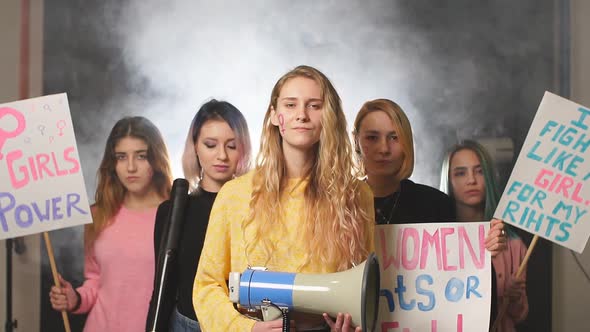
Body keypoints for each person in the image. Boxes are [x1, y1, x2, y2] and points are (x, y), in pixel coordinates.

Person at [193, 65, 375, 332]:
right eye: (290, 105)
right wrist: (245, 329)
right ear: (275, 116)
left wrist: (353, 325)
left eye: (314, 105)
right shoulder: (234, 195)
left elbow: (364, 287)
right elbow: (207, 287)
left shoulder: (355, 196)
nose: (301, 115)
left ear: (329, 117)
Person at [49, 116, 173, 331]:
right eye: (121, 157)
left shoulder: (175, 216)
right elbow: (95, 281)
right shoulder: (98, 215)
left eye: (141, 156)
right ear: (112, 163)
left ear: (156, 160)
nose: (131, 167)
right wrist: (75, 298)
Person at [147, 99, 252, 331]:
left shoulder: (256, 208)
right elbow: (162, 287)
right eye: (210, 144)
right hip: (184, 324)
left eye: (232, 146)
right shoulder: (173, 210)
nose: (221, 156)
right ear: (195, 146)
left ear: (243, 148)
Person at [440, 140, 528, 331]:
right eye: (461, 173)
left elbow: (520, 314)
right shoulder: (436, 243)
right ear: (449, 180)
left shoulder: (513, 245)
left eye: (479, 171)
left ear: (488, 176)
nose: (471, 180)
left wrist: (514, 295)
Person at [352, 98, 454, 224]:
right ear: (356, 142)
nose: (384, 149)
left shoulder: (437, 204)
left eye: (394, 138)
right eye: (372, 138)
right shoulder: (338, 205)